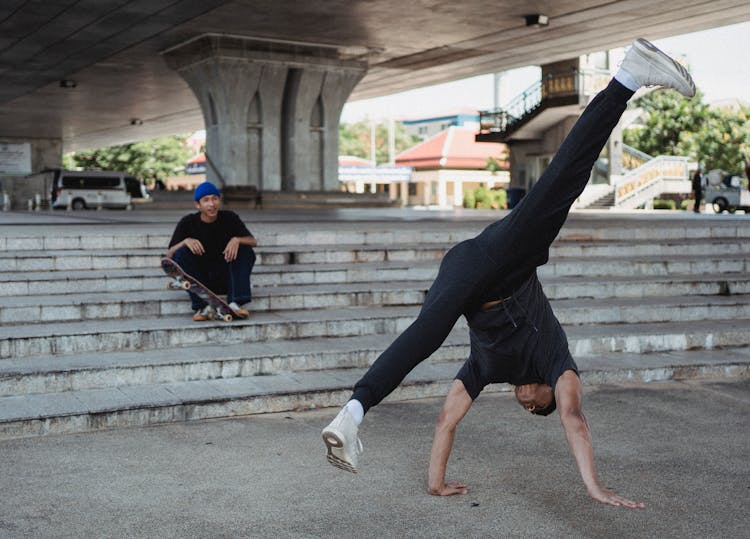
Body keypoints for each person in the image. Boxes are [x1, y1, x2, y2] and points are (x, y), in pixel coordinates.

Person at [321, 38, 696, 508]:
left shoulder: (486, 369)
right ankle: (628, 77)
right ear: (547, 392)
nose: (524, 401)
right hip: (505, 262)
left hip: (462, 270)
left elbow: (446, 421)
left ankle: (354, 412)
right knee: (562, 182)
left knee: (427, 333)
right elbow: (575, 419)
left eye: (526, 406)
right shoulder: (556, 360)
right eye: (536, 403)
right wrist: (594, 487)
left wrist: (436, 483)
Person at [167, 181, 257, 321]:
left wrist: (237, 239)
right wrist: (184, 242)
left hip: (227, 279)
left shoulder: (230, 218)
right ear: (198, 205)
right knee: (181, 253)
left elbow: (253, 242)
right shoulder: (187, 222)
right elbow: (170, 257)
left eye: (215, 199)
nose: (211, 204)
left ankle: (235, 303)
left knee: (245, 250)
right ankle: (202, 306)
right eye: (206, 200)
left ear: (219, 201)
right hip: (201, 282)